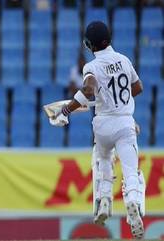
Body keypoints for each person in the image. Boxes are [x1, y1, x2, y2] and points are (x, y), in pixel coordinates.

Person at [50, 21, 145, 239]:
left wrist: (66, 110)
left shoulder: (91, 66)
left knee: (101, 158)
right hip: (125, 123)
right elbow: (138, 87)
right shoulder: (124, 59)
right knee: (131, 170)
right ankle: (131, 199)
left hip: (103, 125)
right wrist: (118, 101)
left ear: (89, 45)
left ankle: (104, 200)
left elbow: (89, 89)